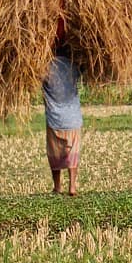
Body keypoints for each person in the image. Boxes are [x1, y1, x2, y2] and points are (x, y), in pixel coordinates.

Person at [43, 20, 83, 195]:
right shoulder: (73, 66)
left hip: (55, 118)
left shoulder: (44, 68)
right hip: (73, 117)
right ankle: (72, 186)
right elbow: (84, 70)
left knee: (55, 152)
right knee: (72, 151)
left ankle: (57, 187)